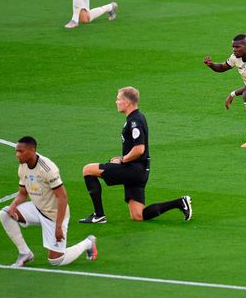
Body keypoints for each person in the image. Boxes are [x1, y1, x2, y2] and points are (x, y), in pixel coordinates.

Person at [79, 86, 192, 223]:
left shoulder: (134, 121)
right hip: (139, 170)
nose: (116, 102)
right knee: (138, 216)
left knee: (88, 170)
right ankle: (180, 202)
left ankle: (98, 215)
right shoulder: (136, 117)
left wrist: (122, 160)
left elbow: (139, 149)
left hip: (133, 169)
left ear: (127, 102)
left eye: (118, 99)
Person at [0, 136, 97, 267]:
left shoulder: (47, 169)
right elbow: (23, 194)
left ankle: (88, 243)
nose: (17, 155)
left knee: (56, 261)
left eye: (21, 151)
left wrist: (58, 226)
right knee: (5, 213)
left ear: (32, 150)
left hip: (54, 215)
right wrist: (13, 206)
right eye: (16, 151)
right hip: (37, 209)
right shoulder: (22, 167)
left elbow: (62, 197)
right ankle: (25, 253)